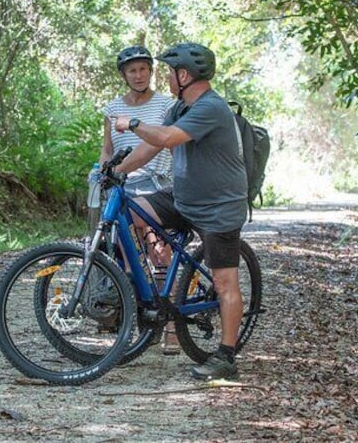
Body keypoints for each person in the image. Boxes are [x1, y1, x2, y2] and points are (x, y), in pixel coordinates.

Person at [113, 42, 247, 381]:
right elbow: (150, 147)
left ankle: (226, 356)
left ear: (184, 75)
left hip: (218, 208)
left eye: (171, 72)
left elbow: (169, 138)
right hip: (184, 198)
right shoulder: (180, 106)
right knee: (132, 211)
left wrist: (132, 124)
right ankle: (150, 282)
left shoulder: (212, 107)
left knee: (224, 282)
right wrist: (119, 171)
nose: (167, 78)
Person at [99, 45, 178, 354]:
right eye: (132, 70)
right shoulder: (112, 108)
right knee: (127, 257)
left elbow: (165, 144)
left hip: (155, 184)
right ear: (124, 75)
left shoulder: (165, 105)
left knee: (159, 253)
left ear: (150, 71)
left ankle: (171, 325)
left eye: (143, 69)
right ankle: (135, 324)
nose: (139, 75)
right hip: (121, 185)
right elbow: (107, 149)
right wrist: (102, 172)